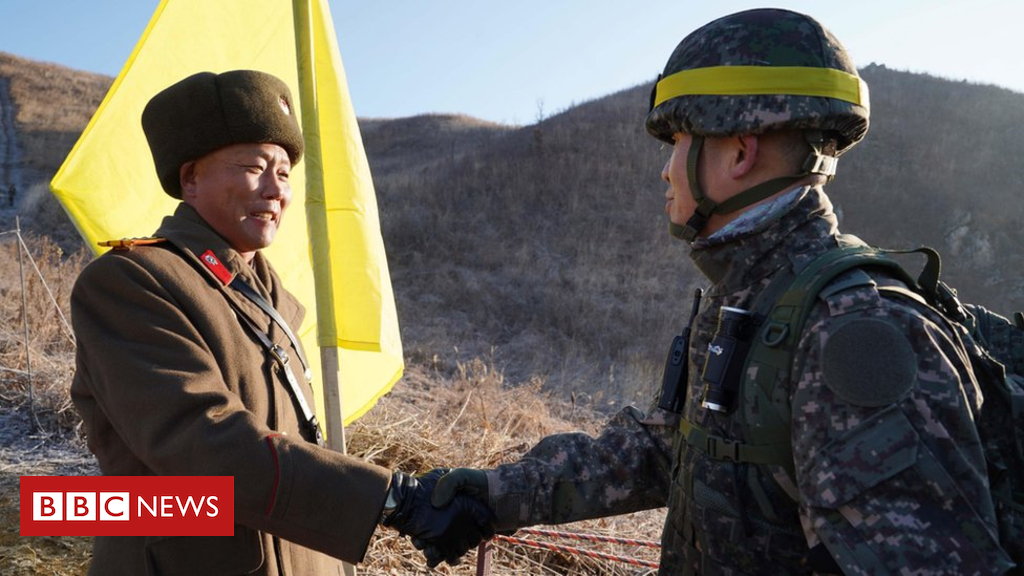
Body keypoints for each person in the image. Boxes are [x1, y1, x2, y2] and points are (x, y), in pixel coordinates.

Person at [428, 9, 1015, 574]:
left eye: (679, 141)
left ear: (739, 151)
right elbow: (666, 452)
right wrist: (489, 495)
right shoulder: (754, 298)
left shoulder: (854, 332)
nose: (666, 170)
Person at [69, 70, 492, 575]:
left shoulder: (271, 296)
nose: (275, 190)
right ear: (191, 179)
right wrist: (392, 500)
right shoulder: (131, 282)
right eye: (254, 167)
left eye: (285, 173)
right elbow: (202, 440)